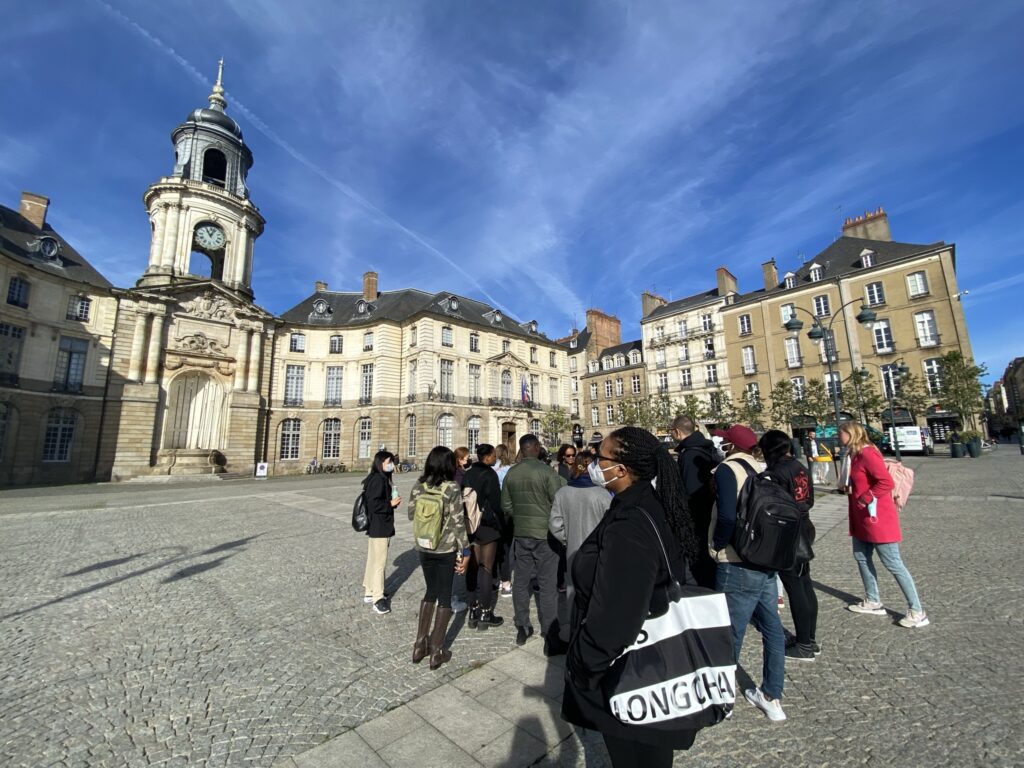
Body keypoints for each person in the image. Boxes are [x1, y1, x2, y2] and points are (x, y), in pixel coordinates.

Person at [562, 427, 702, 768]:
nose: (595, 463)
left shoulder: (630, 522)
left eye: (600, 458)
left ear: (621, 470)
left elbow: (617, 616)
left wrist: (581, 666)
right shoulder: (644, 502)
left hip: (632, 669)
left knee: (636, 756)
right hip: (651, 659)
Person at [710, 424, 788, 722]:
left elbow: (727, 515)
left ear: (729, 445)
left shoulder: (729, 470)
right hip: (766, 559)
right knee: (772, 629)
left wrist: (718, 544)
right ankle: (771, 696)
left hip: (737, 560)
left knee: (729, 631)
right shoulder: (761, 468)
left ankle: (722, 698)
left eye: (724, 442)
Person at [840, 422, 929, 628]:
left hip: (877, 517)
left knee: (893, 563)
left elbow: (885, 482)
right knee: (861, 557)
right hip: (861, 517)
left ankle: (917, 610)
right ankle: (873, 600)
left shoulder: (868, 454)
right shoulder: (854, 455)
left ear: (851, 434)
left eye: (841, 433)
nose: (839, 436)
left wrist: (867, 497)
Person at [758, 430, 820, 661]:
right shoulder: (799, 466)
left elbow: (773, 505)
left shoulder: (775, 472)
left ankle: (804, 643)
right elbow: (810, 498)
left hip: (789, 532)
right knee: (805, 584)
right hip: (805, 525)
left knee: (795, 588)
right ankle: (809, 638)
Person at [501, 434, 566, 649]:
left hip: (521, 534)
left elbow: (506, 506)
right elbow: (558, 503)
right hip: (545, 535)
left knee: (521, 582)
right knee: (547, 585)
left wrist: (520, 516)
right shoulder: (546, 472)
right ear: (536, 448)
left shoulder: (511, 473)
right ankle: (550, 634)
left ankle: (522, 626)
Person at [409, 446, 470, 670]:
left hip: (423, 547)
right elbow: (458, 522)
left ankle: (419, 645)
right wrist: (465, 551)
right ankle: (437, 651)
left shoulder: (419, 485)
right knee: (445, 596)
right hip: (444, 549)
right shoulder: (451, 487)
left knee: (430, 592)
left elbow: (410, 514)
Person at [548, 451, 612, 642]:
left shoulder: (563, 492)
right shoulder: (602, 494)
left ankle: (575, 629)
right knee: (597, 590)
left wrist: (567, 539)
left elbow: (555, 524)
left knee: (573, 591)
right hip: (598, 552)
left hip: (574, 550)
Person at [670, 414, 719, 588]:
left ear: (677, 431)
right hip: (711, 512)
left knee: (700, 565)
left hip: (698, 517)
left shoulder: (689, 454)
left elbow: (691, 491)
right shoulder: (706, 448)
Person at [462, 443, 506, 630]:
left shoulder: (468, 473)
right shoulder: (490, 474)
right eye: (493, 455)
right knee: (486, 568)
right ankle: (486, 613)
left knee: (472, 567)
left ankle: (473, 610)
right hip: (487, 525)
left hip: (470, 524)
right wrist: (501, 524)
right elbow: (496, 503)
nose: (495, 457)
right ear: (487, 457)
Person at [361, 450, 401, 615]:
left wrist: (391, 502)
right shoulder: (378, 480)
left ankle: (369, 591)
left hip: (376, 525)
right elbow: (373, 505)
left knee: (373, 560)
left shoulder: (376, 478)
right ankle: (378, 598)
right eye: (389, 462)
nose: (391, 465)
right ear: (380, 463)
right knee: (379, 563)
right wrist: (390, 504)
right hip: (380, 526)